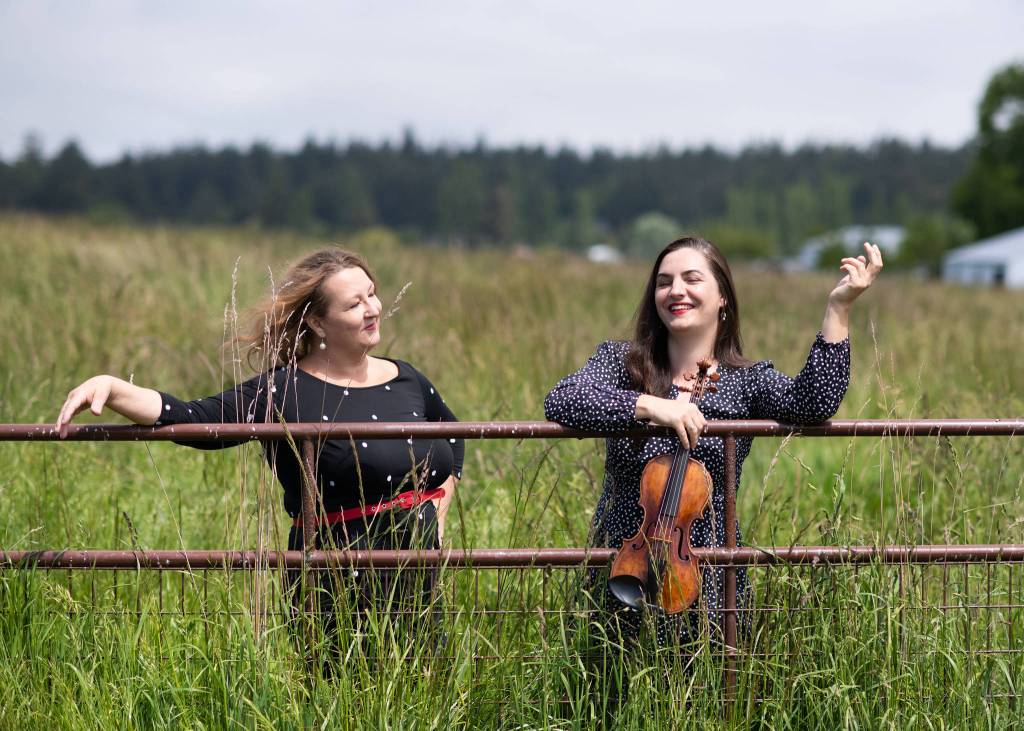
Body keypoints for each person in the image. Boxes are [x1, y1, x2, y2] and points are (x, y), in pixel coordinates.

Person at [55, 247, 464, 637]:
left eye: (372, 294)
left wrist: (438, 513)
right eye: (354, 304)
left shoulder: (407, 378)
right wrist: (113, 388)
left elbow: (452, 434)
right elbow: (193, 418)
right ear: (318, 323)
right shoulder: (282, 390)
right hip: (334, 579)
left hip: (419, 574)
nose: (372, 309)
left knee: (424, 678)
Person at [544, 236, 881, 647]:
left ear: (723, 297)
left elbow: (814, 402)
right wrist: (651, 406)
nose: (676, 291)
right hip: (622, 568)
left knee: (709, 677)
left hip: (708, 571)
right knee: (608, 675)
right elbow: (563, 398)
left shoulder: (746, 380)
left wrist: (838, 308)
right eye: (664, 282)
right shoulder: (622, 363)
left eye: (691, 279)